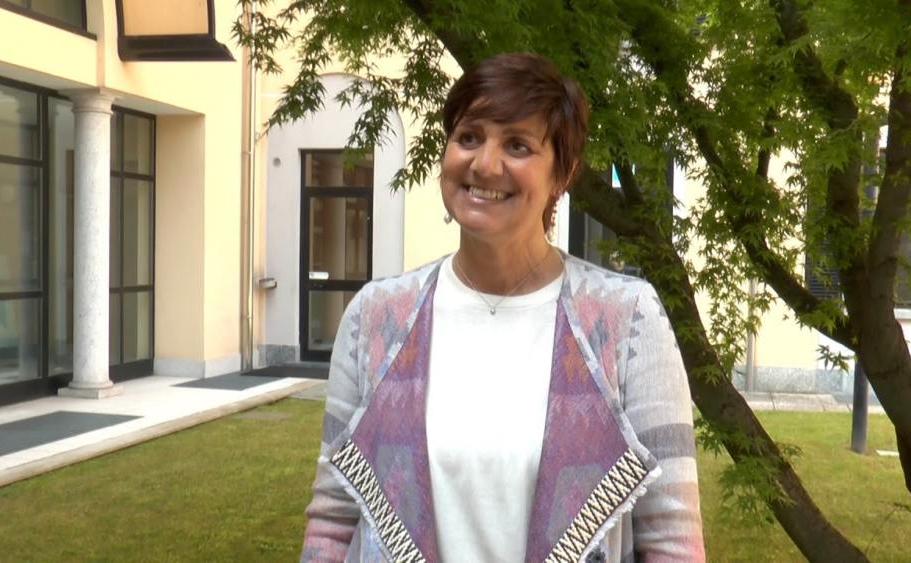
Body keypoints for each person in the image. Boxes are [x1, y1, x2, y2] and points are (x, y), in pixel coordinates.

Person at [301, 52, 705, 563]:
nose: (485, 164)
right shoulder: (376, 317)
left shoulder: (626, 321)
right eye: (469, 137)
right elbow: (333, 519)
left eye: (518, 145)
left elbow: (672, 541)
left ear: (563, 173)